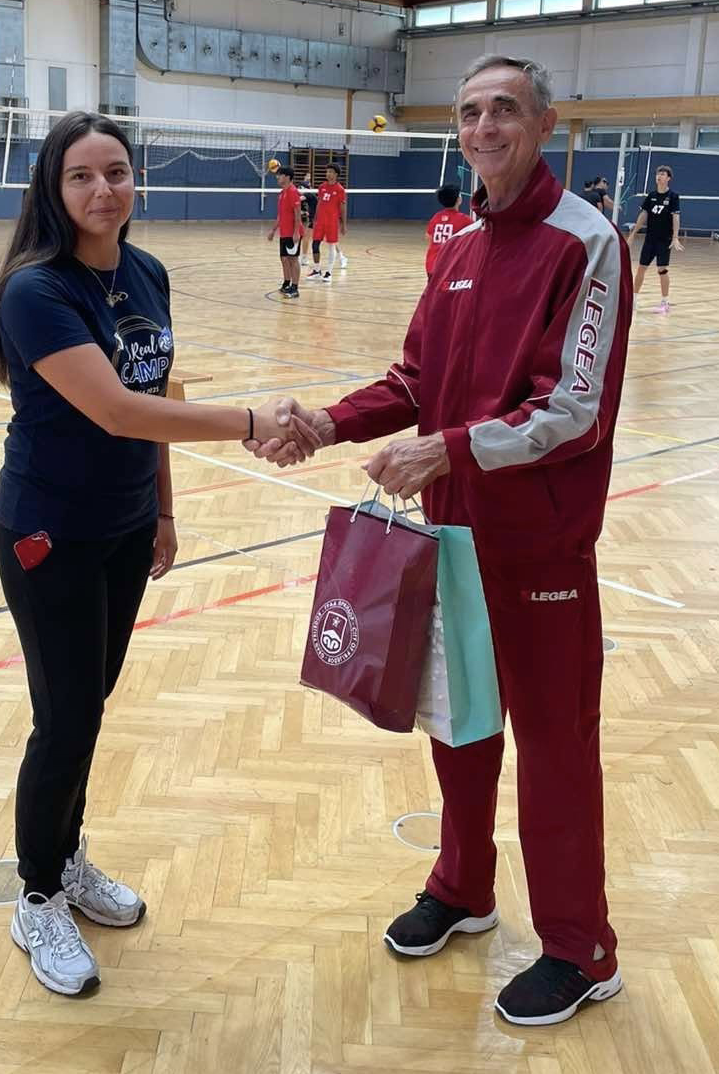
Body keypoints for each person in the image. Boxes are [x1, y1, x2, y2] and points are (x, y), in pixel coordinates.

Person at [248, 54, 632, 1027]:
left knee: (554, 748)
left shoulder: (586, 241)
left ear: (545, 124)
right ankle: (463, 888)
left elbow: (574, 410)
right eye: (469, 112)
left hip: (541, 553)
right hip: (452, 537)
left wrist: (449, 450)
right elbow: (416, 378)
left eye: (504, 109)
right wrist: (330, 423)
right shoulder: (457, 245)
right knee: (458, 724)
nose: (484, 126)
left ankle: (581, 948)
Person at [0, 111, 320, 998]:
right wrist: (250, 421)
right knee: (65, 720)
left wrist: (164, 509)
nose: (103, 190)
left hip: (127, 526)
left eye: (117, 172)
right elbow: (116, 410)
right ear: (54, 188)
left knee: (87, 706)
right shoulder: (34, 291)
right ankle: (36, 893)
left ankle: (65, 855)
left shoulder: (147, 272)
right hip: (49, 533)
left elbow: (153, 390)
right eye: (81, 176)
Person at [628, 164, 682, 314]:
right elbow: (643, 215)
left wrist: (675, 237)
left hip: (664, 239)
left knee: (662, 269)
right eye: (658, 174)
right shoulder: (651, 196)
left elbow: (676, 217)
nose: (659, 176)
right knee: (641, 268)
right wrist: (633, 234)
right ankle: (633, 300)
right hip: (650, 238)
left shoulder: (673, 196)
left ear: (668, 178)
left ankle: (665, 303)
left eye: (663, 174)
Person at [306, 163, 347, 283]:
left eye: (331, 172)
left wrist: (344, 224)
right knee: (315, 245)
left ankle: (328, 273)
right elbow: (319, 203)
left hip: (332, 222)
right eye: (327, 171)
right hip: (320, 221)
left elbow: (343, 208)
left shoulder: (340, 189)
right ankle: (317, 270)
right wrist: (315, 218)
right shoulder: (322, 187)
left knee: (331, 246)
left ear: (336, 174)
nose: (328, 174)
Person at [266, 164, 303, 299]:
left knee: (293, 259)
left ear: (287, 177)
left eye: (280, 175)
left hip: (293, 233)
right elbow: (280, 215)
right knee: (284, 259)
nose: (278, 177)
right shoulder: (282, 193)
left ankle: (295, 288)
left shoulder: (293, 192)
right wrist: (273, 230)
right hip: (284, 232)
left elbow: (298, 214)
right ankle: (287, 283)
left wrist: (296, 232)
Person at [425, 183, 472, 277]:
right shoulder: (465, 220)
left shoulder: (436, 217)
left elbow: (428, 237)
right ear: (458, 199)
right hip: (451, 268)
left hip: (432, 265)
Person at [299, 172, 318, 267]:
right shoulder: (309, 195)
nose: (299, 190)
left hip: (316, 219)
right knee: (306, 237)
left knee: (306, 237)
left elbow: (297, 200)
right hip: (313, 218)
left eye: (300, 188)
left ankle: (304, 258)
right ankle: (304, 258)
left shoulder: (308, 194)